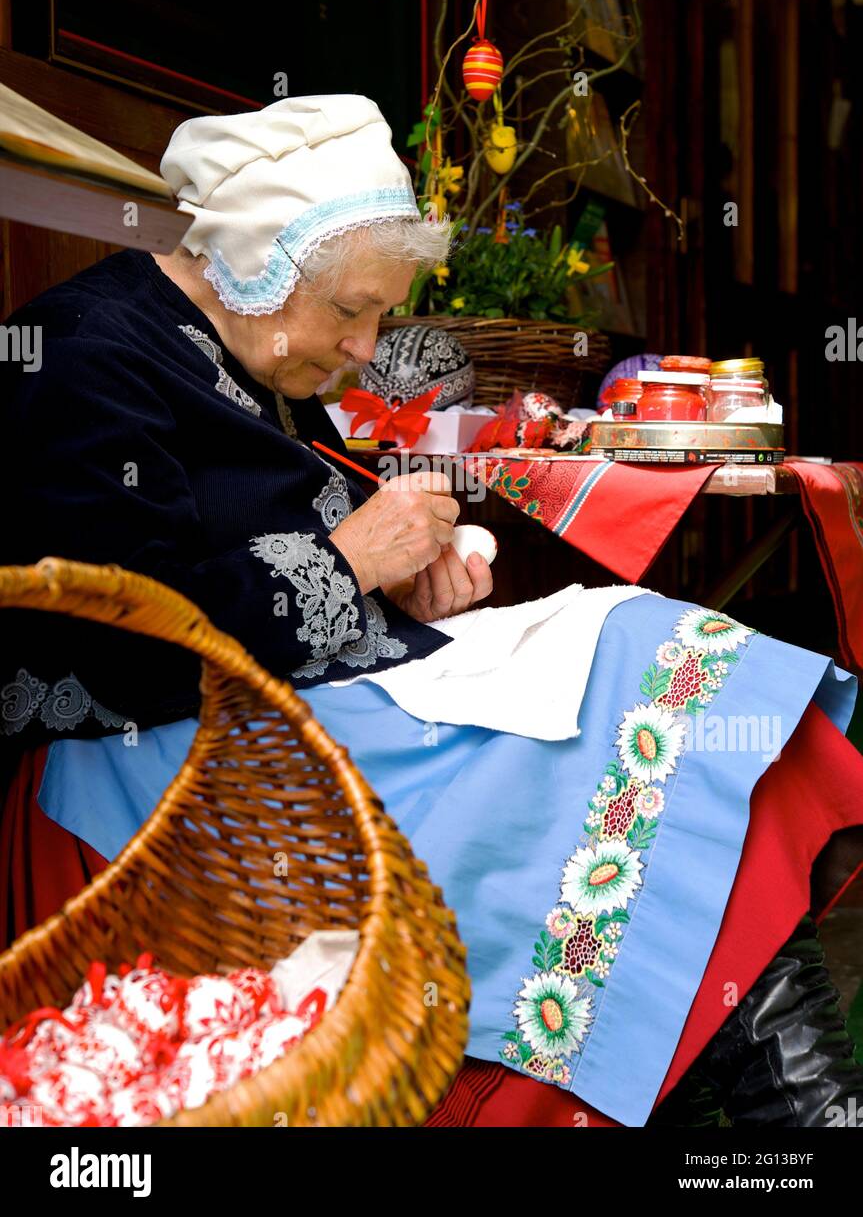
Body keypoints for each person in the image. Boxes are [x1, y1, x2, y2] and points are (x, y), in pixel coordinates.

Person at [1, 94, 862, 1128]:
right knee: (639, 670)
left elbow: (257, 542)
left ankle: (800, 1115)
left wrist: (397, 578)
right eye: (351, 312)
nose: (367, 349)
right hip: (165, 752)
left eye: (380, 317)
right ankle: (807, 1119)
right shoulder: (83, 350)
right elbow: (109, 639)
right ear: (259, 265)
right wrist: (350, 560)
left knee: (660, 662)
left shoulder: (238, 339)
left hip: (307, 700)